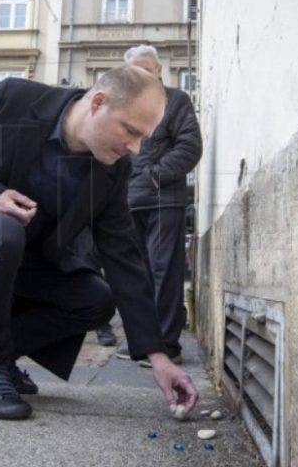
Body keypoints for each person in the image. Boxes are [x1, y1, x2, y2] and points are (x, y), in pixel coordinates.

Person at [0, 66, 198, 420]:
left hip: (23, 263)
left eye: (145, 137)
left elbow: (124, 257)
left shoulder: (113, 169)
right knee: (1, 233)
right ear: (97, 102)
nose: (137, 149)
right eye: (130, 130)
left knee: (97, 299)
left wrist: (158, 357)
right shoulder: (14, 99)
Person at [113, 45, 203, 365]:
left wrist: (154, 177)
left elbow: (190, 146)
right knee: (137, 276)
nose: (141, 76)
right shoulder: (123, 107)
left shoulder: (176, 101)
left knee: (165, 271)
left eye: (146, 70)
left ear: (158, 71)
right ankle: (144, 342)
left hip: (164, 200)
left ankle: (168, 345)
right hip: (128, 203)